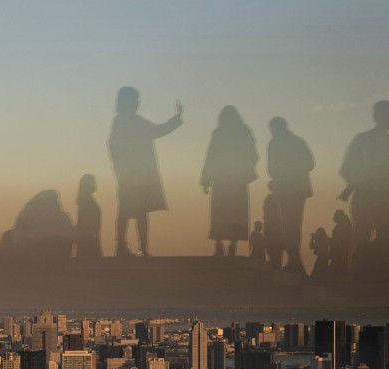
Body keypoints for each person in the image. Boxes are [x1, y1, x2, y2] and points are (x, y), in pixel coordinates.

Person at [108, 87, 183, 256]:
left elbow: (157, 131)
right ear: (127, 102)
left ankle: (137, 248)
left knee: (136, 211)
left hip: (134, 175)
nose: (137, 103)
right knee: (129, 211)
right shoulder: (123, 122)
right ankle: (125, 247)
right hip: (131, 175)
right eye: (135, 100)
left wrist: (177, 118)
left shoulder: (130, 121)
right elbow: (156, 131)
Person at [339, 100, 389, 247]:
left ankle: (359, 268)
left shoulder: (361, 140)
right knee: (383, 241)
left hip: (371, 197)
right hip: (385, 199)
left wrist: (360, 182)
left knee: (361, 240)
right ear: (378, 116)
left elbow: (345, 170)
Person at [201, 106, 258, 257]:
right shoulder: (242, 132)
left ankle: (220, 245)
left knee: (223, 213)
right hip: (234, 182)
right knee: (232, 214)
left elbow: (210, 157)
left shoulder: (220, 133)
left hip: (225, 181)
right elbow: (253, 155)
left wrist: (205, 180)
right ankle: (230, 245)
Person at [267, 117, 314, 273]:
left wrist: (287, 174)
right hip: (289, 190)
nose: (272, 133)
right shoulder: (293, 142)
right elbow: (272, 169)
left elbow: (309, 163)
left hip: (291, 190)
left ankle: (294, 260)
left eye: (273, 130)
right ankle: (294, 260)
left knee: (290, 225)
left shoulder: (285, 143)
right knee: (290, 226)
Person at [75, 174, 103, 257]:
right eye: (93, 182)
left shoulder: (85, 200)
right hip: (89, 241)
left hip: (90, 239)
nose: (95, 185)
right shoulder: (86, 201)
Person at [329, 210, 354, 279]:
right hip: (339, 252)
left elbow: (339, 240)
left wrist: (329, 241)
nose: (334, 218)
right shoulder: (343, 224)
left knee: (337, 272)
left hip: (340, 253)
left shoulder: (344, 225)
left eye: (335, 216)